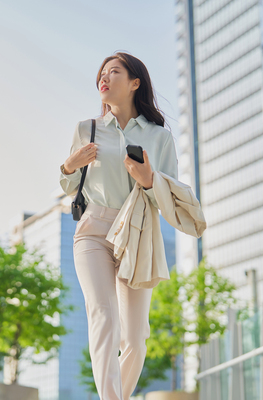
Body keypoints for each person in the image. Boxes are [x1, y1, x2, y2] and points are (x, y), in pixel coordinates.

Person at [59, 51, 179, 400]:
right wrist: (69, 165)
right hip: (94, 231)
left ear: (134, 83)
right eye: (102, 73)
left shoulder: (160, 138)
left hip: (139, 233)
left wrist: (147, 180)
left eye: (114, 71)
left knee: (136, 338)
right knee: (104, 316)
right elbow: (69, 185)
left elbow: (169, 198)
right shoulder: (87, 129)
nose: (104, 77)